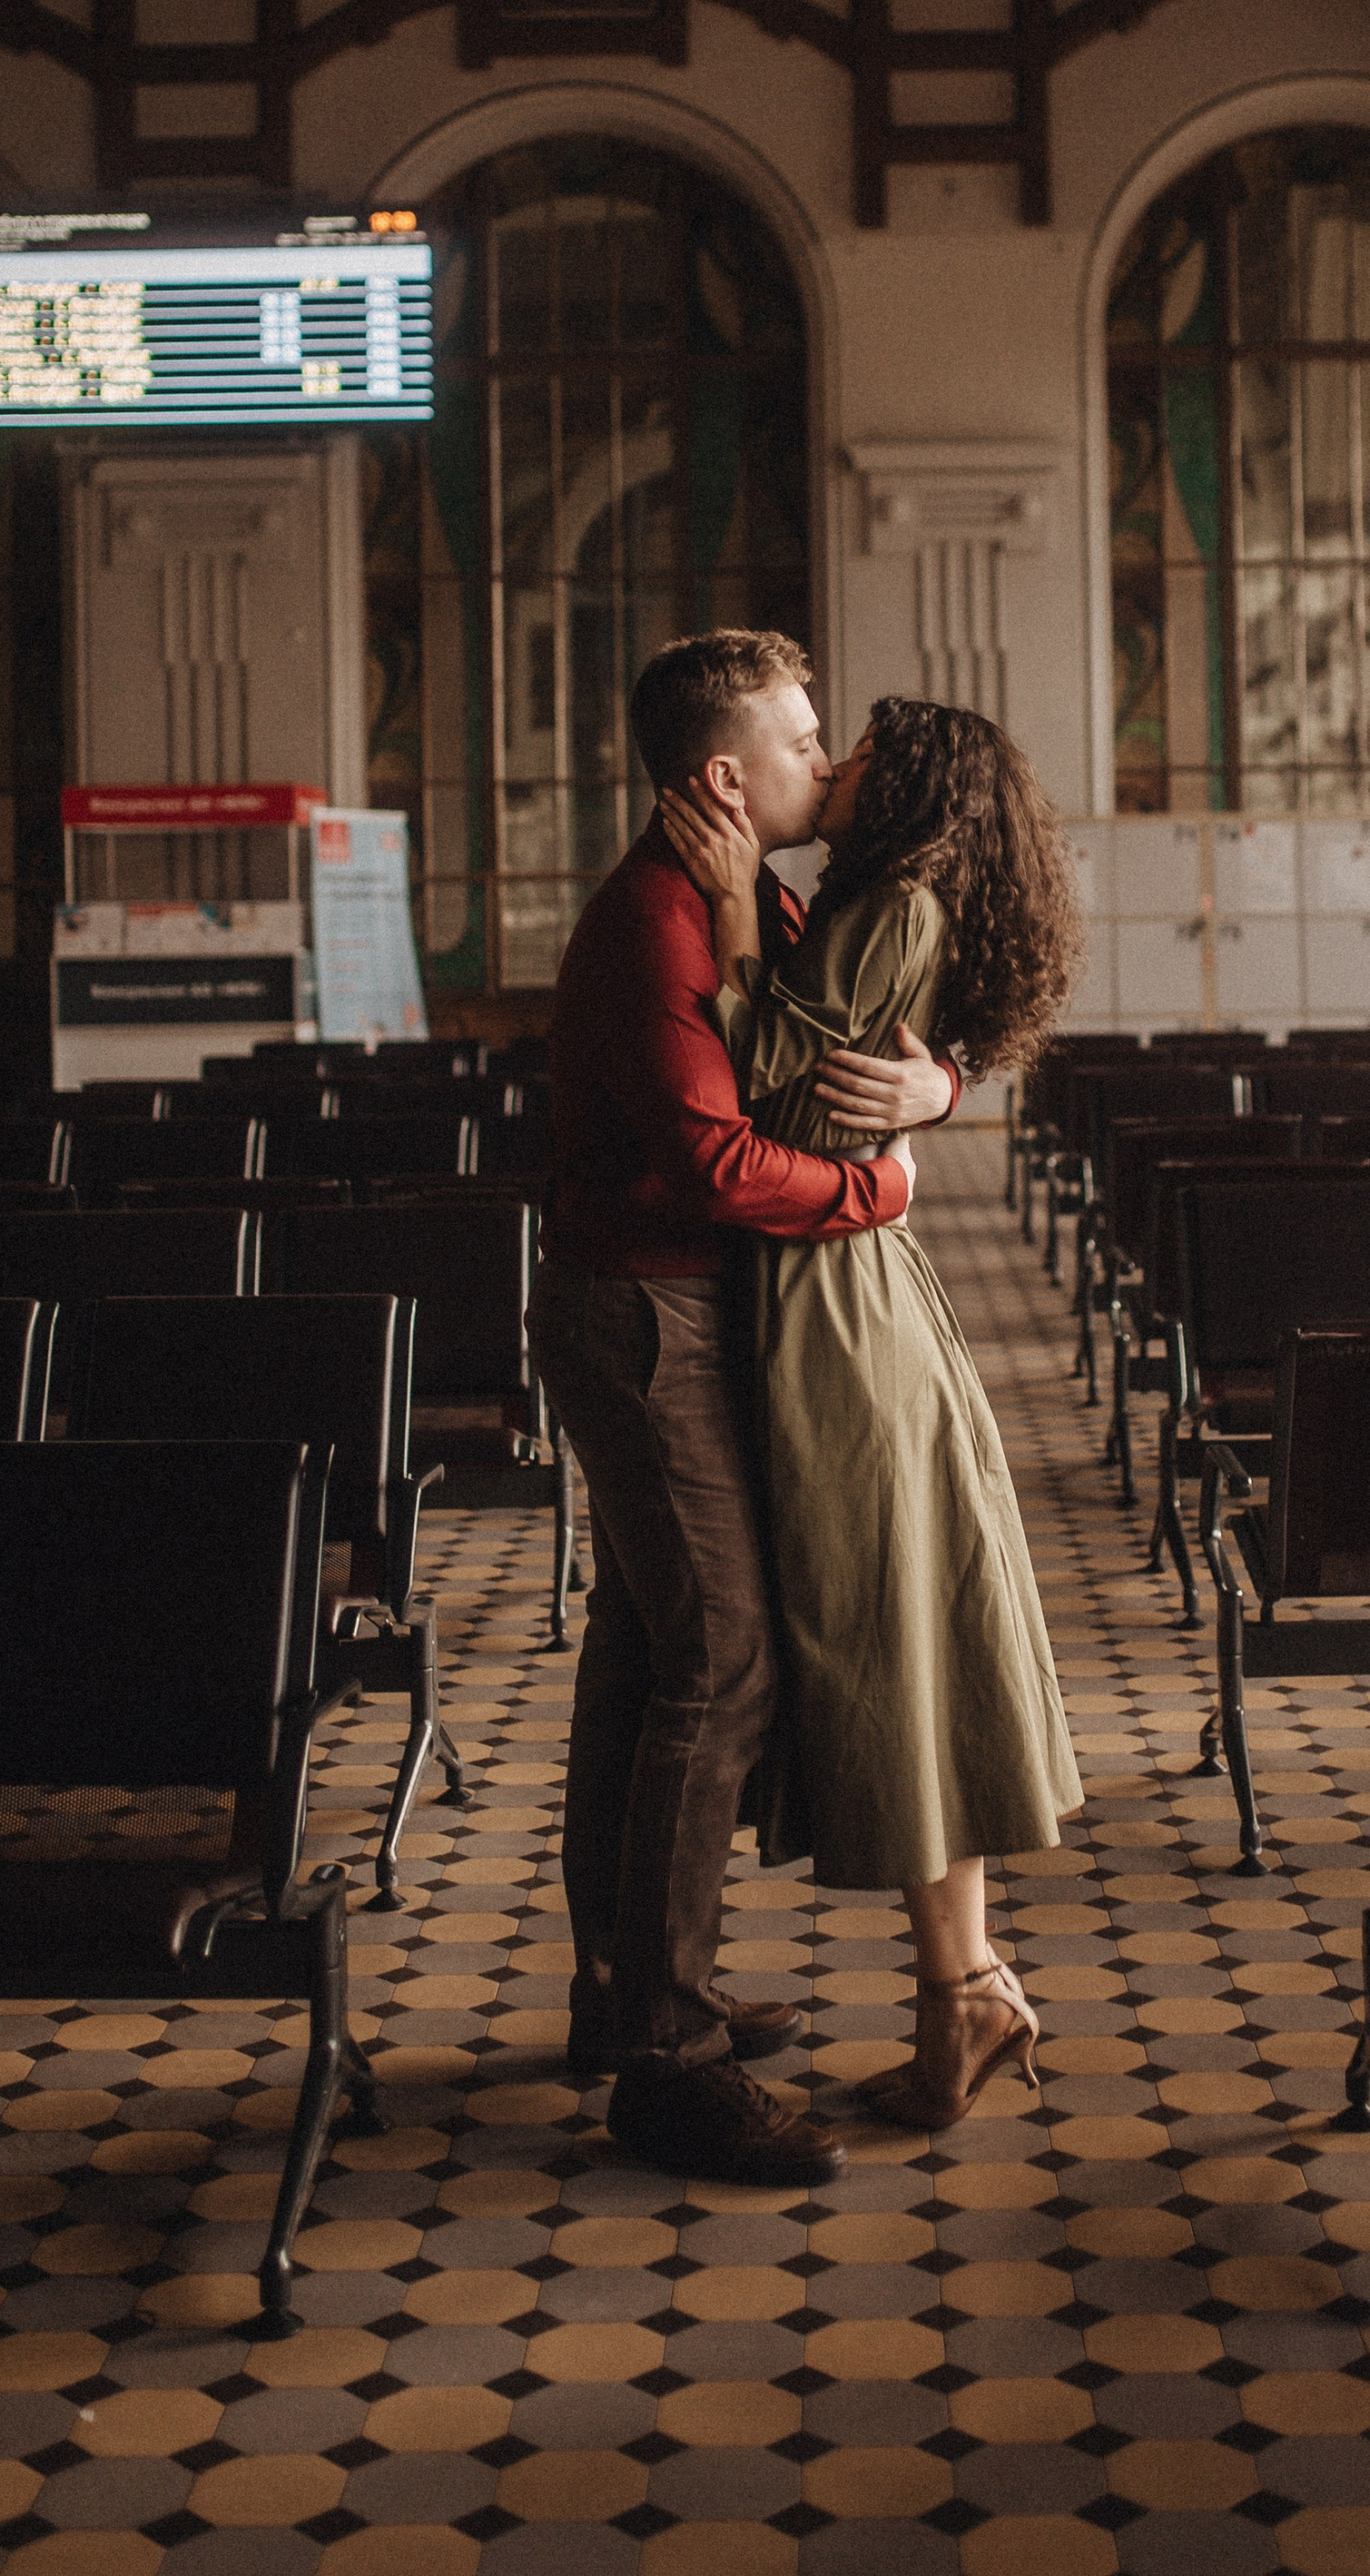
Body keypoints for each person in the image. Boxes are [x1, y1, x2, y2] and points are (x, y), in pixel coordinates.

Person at [531, 628, 959, 2189]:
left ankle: (623, 1996)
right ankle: (669, 2059)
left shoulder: (754, 895)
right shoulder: (657, 920)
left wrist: (936, 1095)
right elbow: (722, 1160)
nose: (826, 755)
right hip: (645, 1316)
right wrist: (882, 1187)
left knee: (648, 1655)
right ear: (725, 772)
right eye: (803, 735)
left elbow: (839, 1045)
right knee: (727, 1664)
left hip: (687, 1302)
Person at [659, 692, 1087, 2127]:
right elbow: (819, 1067)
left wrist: (729, 906)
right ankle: (964, 1992)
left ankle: (965, 1993)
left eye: (862, 758)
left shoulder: (882, 902)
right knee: (905, 1636)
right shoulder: (873, 899)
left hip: (835, 1305)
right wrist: (924, 1100)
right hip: (845, 1286)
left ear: (908, 793)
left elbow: (768, 1088)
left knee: (889, 1636)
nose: (833, 766)